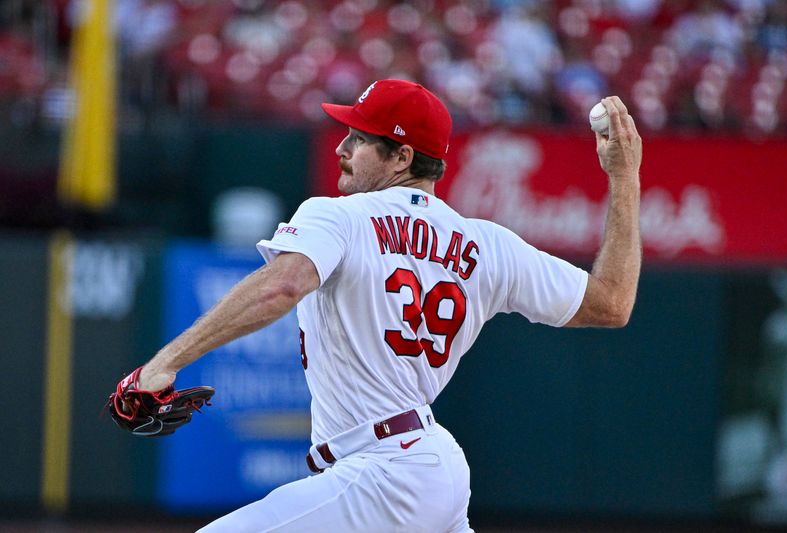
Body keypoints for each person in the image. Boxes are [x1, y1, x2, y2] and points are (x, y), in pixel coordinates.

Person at [133, 79, 642, 532]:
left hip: (383, 472)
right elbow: (612, 302)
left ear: (402, 157)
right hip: (421, 471)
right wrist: (624, 178)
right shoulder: (489, 245)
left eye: (359, 138)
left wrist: (162, 365)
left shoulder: (340, 216)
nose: (342, 148)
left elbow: (280, 286)